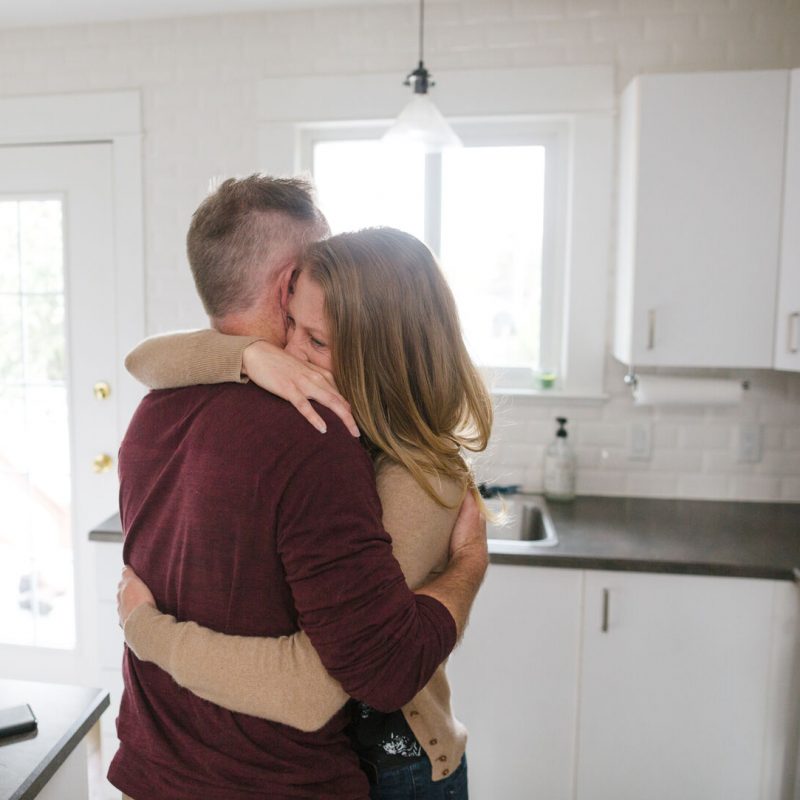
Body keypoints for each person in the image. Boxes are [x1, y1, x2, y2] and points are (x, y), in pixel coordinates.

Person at [108, 176, 489, 800]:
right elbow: (146, 355)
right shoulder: (311, 427)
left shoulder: (154, 414)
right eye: (303, 331)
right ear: (288, 288)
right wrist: (248, 356)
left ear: (376, 352)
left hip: (400, 766)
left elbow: (339, 681)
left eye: (317, 340)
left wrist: (470, 562)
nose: (296, 352)